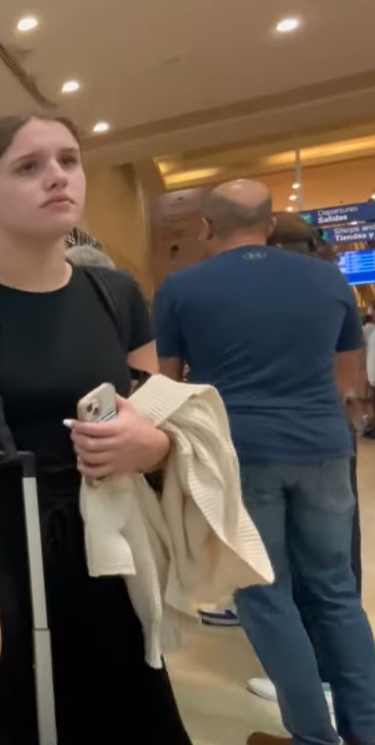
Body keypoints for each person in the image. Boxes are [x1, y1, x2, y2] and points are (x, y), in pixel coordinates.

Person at [0, 113, 191, 744]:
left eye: (68, 160)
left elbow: (160, 422)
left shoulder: (116, 295)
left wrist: (151, 447)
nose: (57, 177)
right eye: (29, 167)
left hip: (105, 545)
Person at [154, 182, 375, 745]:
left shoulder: (181, 288)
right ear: (270, 224)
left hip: (240, 451)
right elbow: (349, 377)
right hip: (323, 446)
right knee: (336, 591)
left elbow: (170, 386)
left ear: (206, 227)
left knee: (264, 593)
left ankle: (314, 736)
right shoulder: (330, 280)